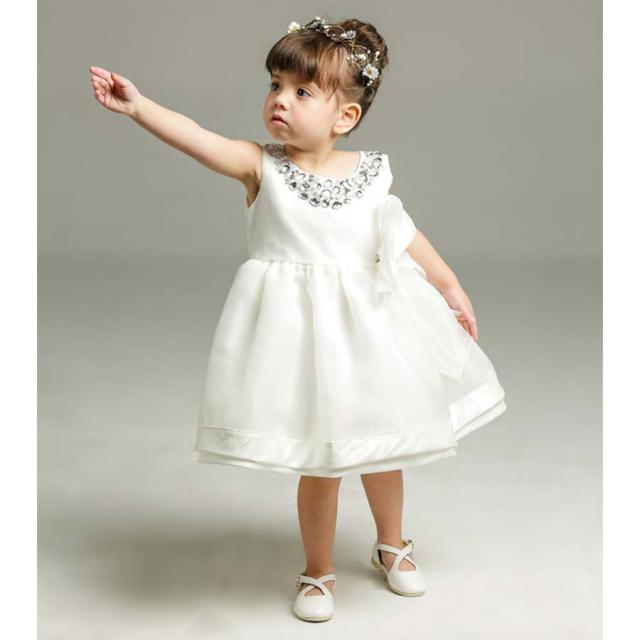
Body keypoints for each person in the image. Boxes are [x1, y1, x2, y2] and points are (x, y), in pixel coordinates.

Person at [89, 14, 507, 623]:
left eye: (302, 91)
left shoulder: (370, 174)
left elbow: (405, 235)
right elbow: (197, 137)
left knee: (383, 448)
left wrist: (449, 285)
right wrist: (139, 107)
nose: (280, 100)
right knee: (321, 462)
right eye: (275, 85)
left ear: (345, 116)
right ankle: (318, 569)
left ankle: (392, 543)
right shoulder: (259, 165)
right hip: (303, 345)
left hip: (370, 334)